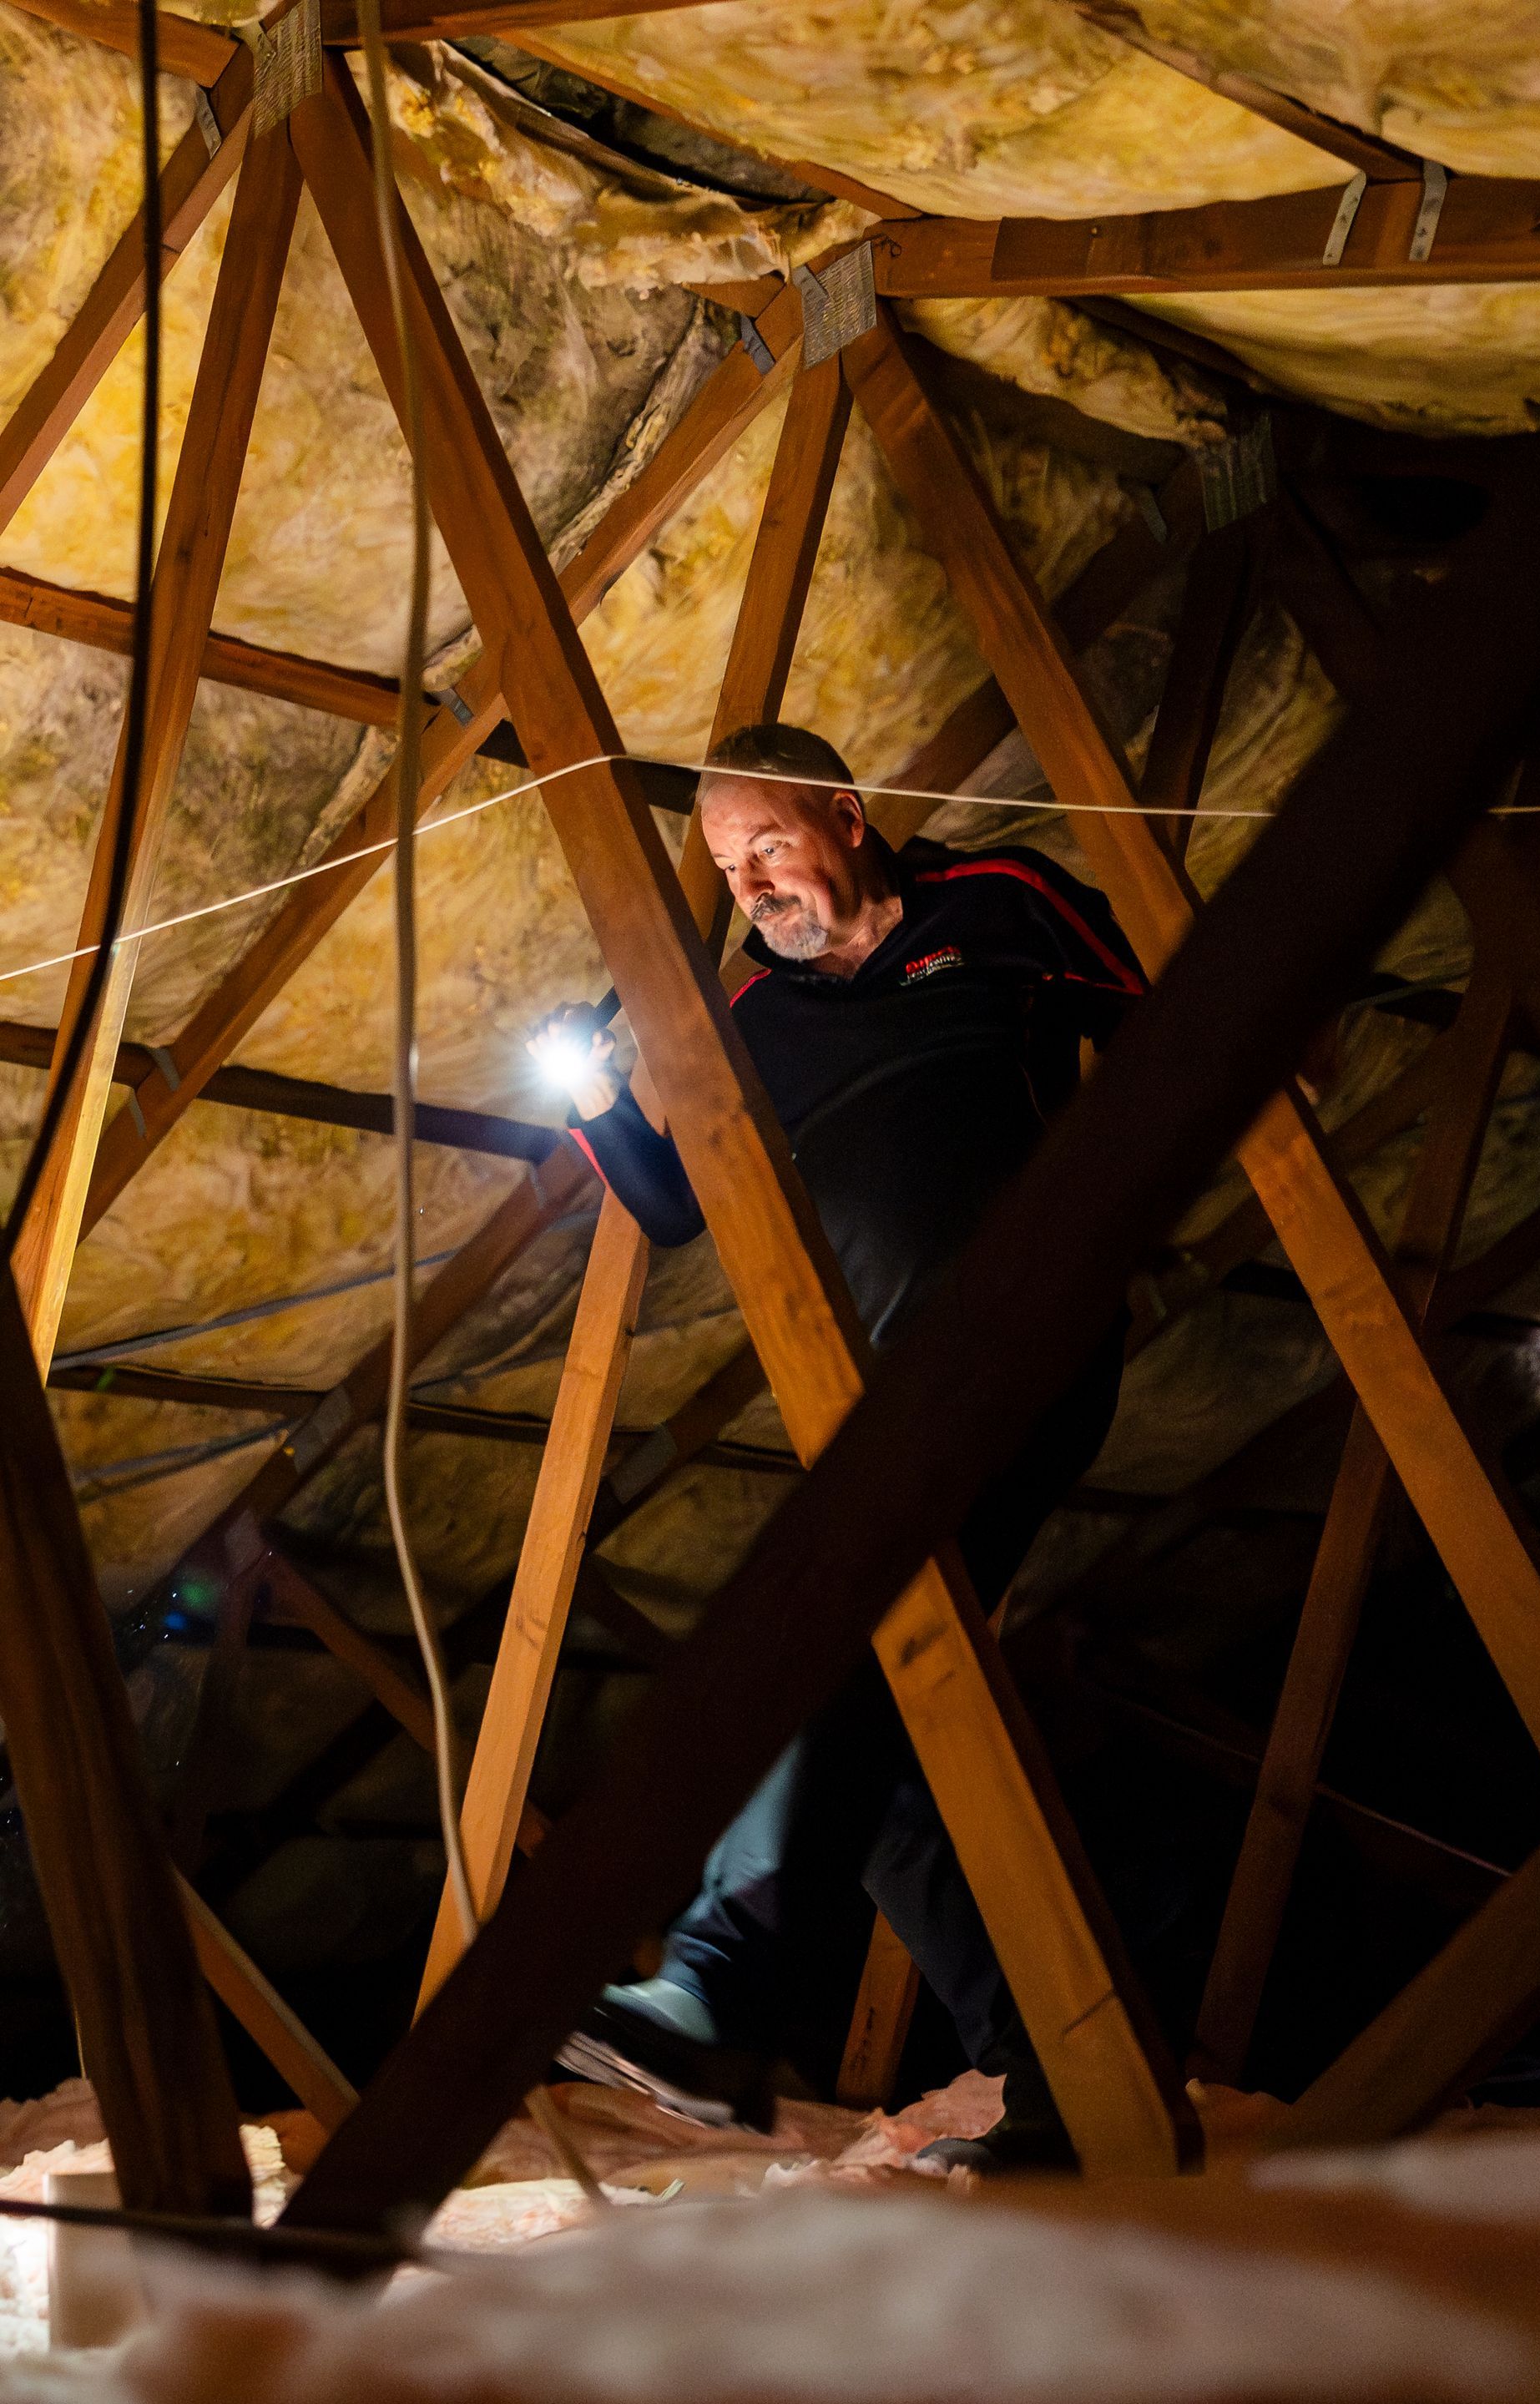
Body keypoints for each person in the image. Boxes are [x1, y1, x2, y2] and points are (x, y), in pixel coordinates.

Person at [532, 723, 1144, 2172]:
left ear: (848, 818)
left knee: (833, 1664)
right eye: (727, 867)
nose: (748, 882)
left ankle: (723, 1987)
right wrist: (597, 1106)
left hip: (1031, 1349)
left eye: (766, 846)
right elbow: (679, 1203)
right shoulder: (757, 1017)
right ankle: (1056, 2080)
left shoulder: (998, 899)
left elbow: (1158, 1024)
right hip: (888, 1404)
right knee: (885, 1758)